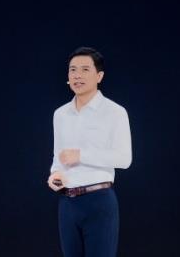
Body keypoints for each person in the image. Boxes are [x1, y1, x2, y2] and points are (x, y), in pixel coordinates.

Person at [47, 46, 132, 257]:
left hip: (99, 200)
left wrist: (81, 155)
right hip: (67, 203)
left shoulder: (115, 112)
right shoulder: (60, 114)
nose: (77, 75)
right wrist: (54, 173)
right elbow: (58, 156)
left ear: (99, 76)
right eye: (73, 70)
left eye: (85, 69)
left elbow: (124, 158)